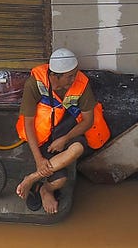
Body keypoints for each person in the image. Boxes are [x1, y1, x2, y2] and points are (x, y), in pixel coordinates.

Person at [14, 48, 110, 214]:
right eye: (69, 76)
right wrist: (39, 159)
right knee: (60, 181)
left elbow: (88, 121)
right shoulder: (34, 84)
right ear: (54, 76)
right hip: (43, 135)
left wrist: (65, 139)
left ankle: (33, 179)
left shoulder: (81, 83)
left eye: (75, 74)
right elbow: (28, 123)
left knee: (78, 148)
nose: (74, 79)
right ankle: (45, 188)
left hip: (67, 130)